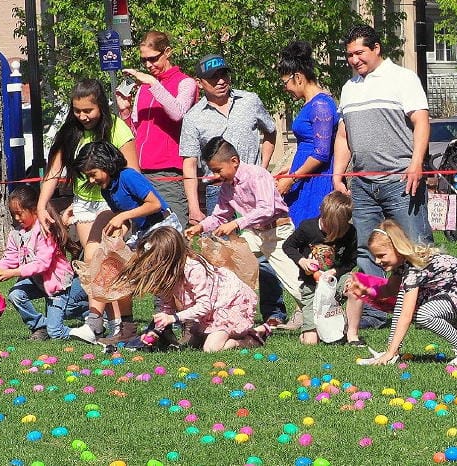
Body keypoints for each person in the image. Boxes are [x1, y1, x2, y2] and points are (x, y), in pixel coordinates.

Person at [333, 24, 433, 329]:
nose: (353, 60)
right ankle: (375, 312)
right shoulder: (349, 87)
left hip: (401, 180)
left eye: (359, 52)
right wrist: (339, 174)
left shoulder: (402, 79)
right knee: (367, 249)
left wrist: (416, 164)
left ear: (376, 49)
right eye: (349, 55)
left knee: (416, 245)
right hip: (362, 183)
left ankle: (429, 308)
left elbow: (421, 122)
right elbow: (343, 135)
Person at [179, 53, 287, 328]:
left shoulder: (249, 100)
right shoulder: (193, 117)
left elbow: (271, 132)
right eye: (213, 78)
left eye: (224, 74)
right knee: (227, 259)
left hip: (253, 191)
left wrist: (261, 167)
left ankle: (274, 311)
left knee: (264, 255)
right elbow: (189, 162)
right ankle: (232, 311)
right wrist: (194, 207)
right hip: (220, 191)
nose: (221, 81)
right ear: (200, 83)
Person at [70, 141, 182, 345]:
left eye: (93, 173)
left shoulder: (128, 176)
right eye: (87, 176)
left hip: (163, 229)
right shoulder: (107, 190)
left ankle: (167, 326)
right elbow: (127, 217)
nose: (91, 180)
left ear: (106, 165)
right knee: (115, 270)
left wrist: (122, 217)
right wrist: (118, 231)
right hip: (143, 233)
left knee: (160, 278)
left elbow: (155, 204)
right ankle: (126, 328)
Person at [184, 137, 304, 315]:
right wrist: (200, 227)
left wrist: (236, 223)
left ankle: (323, 315)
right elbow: (219, 215)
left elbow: (266, 209)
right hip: (253, 233)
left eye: (218, 170)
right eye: (213, 171)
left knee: (294, 283)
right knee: (228, 269)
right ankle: (229, 313)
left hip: (277, 232)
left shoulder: (257, 175)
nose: (216, 176)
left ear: (234, 161)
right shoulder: (227, 186)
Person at [117, 226, 271, 352]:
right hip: (211, 310)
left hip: (229, 303)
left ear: (168, 256)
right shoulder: (166, 273)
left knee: (211, 348)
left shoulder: (193, 267)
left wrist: (173, 319)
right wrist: (156, 331)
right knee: (192, 344)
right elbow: (166, 306)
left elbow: (205, 305)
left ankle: (252, 338)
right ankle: (251, 331)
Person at [355, 220, 457, 366]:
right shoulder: (403, 264)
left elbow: (406, 315)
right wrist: (366, 291)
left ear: (397, 248)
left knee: (423, 315)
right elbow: (390, 290)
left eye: (381, 255)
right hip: (446, 291)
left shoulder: (413, 269)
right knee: (402, 297)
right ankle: (392, 352)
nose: (377, 261)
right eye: (375, 256)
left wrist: (391, 351)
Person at [37, 79, 138, 264]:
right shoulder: (70, 131)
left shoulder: (118, 129)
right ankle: (95, 293)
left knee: (105, 258)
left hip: (113, 202)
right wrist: (41, 206)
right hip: (84, 204)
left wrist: (127, 212)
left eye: (88, 111)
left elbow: (133, 173)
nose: (82, 116)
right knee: (94, 262)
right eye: (77, 111)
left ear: (100, 106)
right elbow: (53, 172)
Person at [115, 30, 198, 227]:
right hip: (140, 172)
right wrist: (125, 113)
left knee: (172, 234)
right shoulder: (144, 88)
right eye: (144, 60)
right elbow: (136, 134)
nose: (148, 65)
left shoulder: (185, 83)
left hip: (169, 173)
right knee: (145, 236)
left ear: (167, 52)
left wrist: (153, 83)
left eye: (153, 59)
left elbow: (178, 113)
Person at [0, 185, 88, 340]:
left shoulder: (45, 230)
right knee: (16, 294)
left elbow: (43, 263)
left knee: (56, 333)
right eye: (13, 214)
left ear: (34, 209)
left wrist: (13, 273)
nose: (16, 218)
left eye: (19, 214)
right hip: (37, 281)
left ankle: (92, 317)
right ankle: (40, 326)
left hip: (56, 284)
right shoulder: (16, 234)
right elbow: (11, 258)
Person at [282, 191, 359, 345]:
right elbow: (288, 246)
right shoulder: (307, 228)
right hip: (311, 286)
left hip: (335, 281)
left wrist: (335, 271)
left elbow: (352, 260)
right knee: (311, 342)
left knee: (355, 286)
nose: (331, 233)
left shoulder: (350, 232)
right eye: (328, 227)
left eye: (338, 230)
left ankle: (352, 333)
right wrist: (302, 261)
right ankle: (308, 331)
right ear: (322, 214)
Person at [276, 41, 339, 227]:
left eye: (285, 82)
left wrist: (292, 177)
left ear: (298, 77)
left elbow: (321, 153)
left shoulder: (320, 105)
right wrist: (290, 169)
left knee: (310, 232)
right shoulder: (310, 104)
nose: (285, 88)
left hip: (315, 181)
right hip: (303, 176)